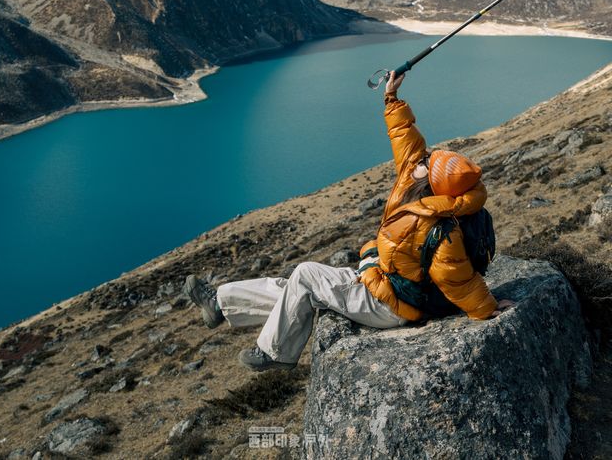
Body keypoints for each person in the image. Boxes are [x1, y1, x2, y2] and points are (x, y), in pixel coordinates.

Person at [185, 71, 513, 371]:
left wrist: (485, 307)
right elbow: (406, 140)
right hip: (385, 280)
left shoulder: (440, 228)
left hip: (394, 305)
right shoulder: (420, 184)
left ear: (433, 183)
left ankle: (275, 352)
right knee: (298, 288)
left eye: (428, 164)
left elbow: (458, 279)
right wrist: (392, 97)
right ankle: (220, 303)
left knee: (306, 274)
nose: (422, 161)